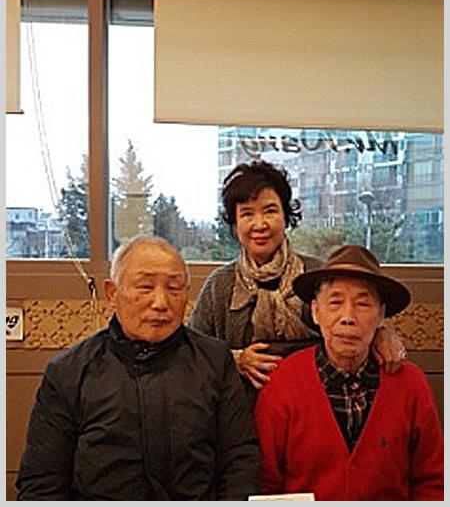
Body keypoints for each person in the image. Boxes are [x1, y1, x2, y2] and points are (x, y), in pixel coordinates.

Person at [16, 235, 260, 500]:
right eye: (145, 287)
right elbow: (41, 485)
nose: (160, 302)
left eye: (174, 288)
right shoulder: (68, 372)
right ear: (112, 293)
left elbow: (240, 461)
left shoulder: (215, 361)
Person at [188, 160, 406, 407]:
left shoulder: (316, 274)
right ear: (235, 224)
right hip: (240, 408)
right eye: (247, 214)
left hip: (314, 405)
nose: (260, 224)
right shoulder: (219, 285)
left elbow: (353, 319)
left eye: (270, 211)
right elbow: (191, 350)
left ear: (286, 216)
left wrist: (381, 335)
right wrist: (235, 360)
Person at [254, 244, 444, 501]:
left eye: (363, 304)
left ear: (381, 315)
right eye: (335, 302)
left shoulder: (411, 384)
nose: (348, 317)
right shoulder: (281, 384)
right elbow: (265, 483)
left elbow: (433, 481)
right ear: (315, 311)